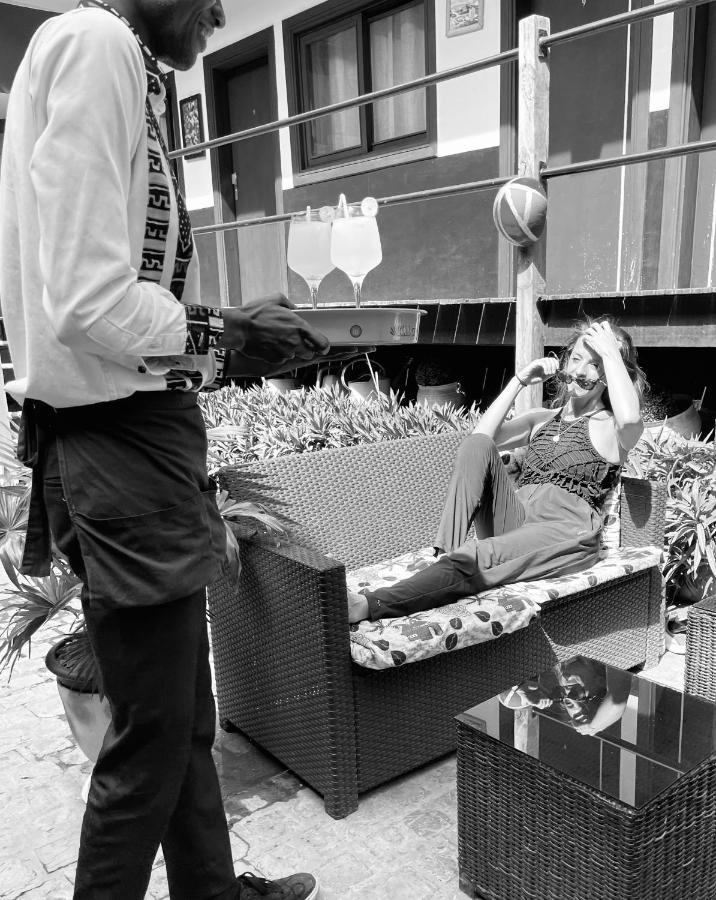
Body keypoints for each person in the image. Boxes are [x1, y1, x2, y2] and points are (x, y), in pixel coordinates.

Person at [0, 2, 330, 898]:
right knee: (147, 748)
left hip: (139, 433)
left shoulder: (115, 59)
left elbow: (99, 295)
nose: (222, 12)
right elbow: (87, 301)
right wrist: (225, 334)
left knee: (183, 722)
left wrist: (221, 340)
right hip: (119, 441)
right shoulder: (96, 45)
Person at [348, 316, 646, 623]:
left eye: (595, 364)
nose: (581, 370)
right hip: (517, 518)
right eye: (577, 358)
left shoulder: (611, 427)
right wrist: (518, 381)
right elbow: (482, 436)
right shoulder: (542, 419)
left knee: (477, 558)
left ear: (611, 373)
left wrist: (612, 353)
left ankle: (370, 604)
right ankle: (449, 553)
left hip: (564, 531)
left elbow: (630, 420)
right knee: (477, 444)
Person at [498, 656, 632, 736]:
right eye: (579, 694)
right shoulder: (611, 651)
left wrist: (525, 691)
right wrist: (593, 727)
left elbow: (506, 699)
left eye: (566, 698)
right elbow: (616, 701)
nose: (568, 691)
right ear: (601, 681)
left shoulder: (545, 669)